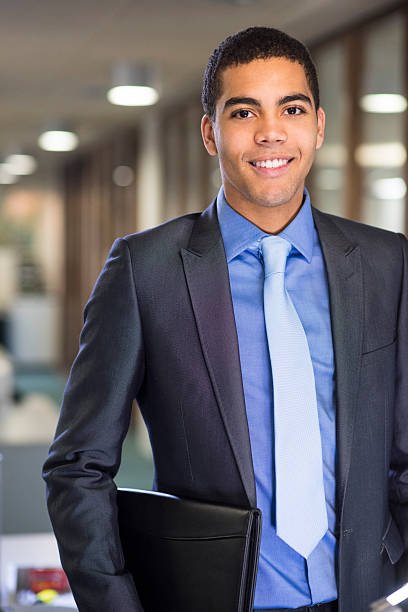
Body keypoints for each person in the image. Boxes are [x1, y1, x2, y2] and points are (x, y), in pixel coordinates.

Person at [43, 26, 408, 612]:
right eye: (244, 112)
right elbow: (76, 467)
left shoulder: (386, 262)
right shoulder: (146, 270)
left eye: (291, 108)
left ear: (318, 125)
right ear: (211, 134)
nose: (270, 132)